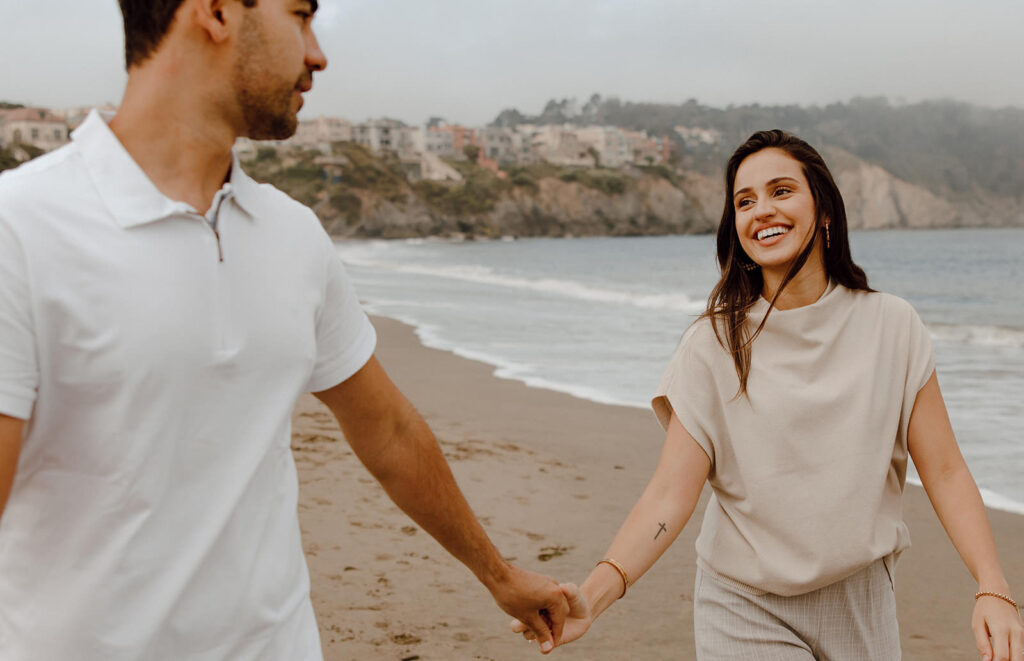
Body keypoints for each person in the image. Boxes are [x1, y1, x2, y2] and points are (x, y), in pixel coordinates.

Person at [0, 1, 569, 658]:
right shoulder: (22, 230)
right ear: (214, 12)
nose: (318, 53)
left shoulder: (292, 234)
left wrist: (499, 576)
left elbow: (388, 431)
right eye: (299, 15)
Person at [511, 130, 1024, 659]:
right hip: (745, 605)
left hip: (863, 602)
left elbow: (944, 470)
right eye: (744, 201)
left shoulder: (892, 326)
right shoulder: (712, 344)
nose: (762, 211)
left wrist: (993, 586)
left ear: (823, 208)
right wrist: (594, 596)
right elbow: (669, 495)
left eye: (781, 191)